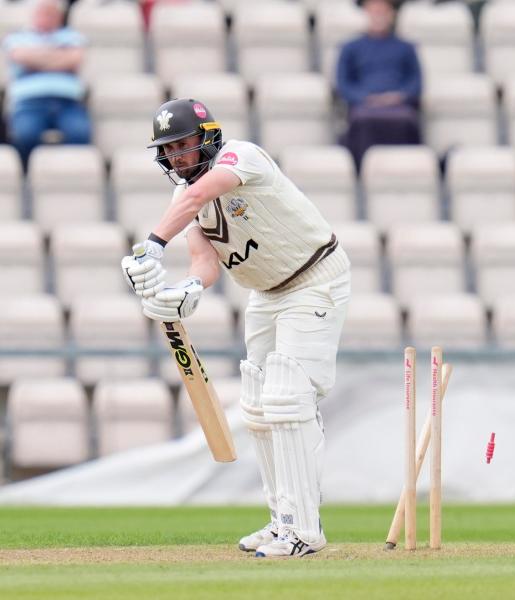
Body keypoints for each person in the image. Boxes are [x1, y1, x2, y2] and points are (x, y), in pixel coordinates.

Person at [120, 98, 351, 557]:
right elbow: (204, 260)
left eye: (184, 145)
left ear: (207, 138)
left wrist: (150, 245)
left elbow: (200, 195)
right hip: (265, 293)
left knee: (288, 399)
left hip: (314, 278)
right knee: (259, 407)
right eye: (169, 150)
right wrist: (189, 289)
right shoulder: (182, 200)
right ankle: (281, 518)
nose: (177, 157)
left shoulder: (240, 156)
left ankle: (305, 530)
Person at [3, 0, 91, 169]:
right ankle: (27, 175)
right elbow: (20, 56)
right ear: (34, 15)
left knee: (80, 133)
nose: (46, 17)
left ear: (59, 16)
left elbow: (74, 59)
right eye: (43, 13)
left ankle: (70, 174)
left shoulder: (73, 36)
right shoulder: (17, 37)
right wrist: (59, 58)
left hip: (69, 104)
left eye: (51, 14)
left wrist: (36, 60)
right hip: (29, 104)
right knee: (25, 135)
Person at [336, 0, 422, 168]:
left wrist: (397, 97)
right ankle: (362, 171)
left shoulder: (406, 48)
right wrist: (367, 99)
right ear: (366, 14)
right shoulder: (350, 48)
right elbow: (344, 85)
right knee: (361, 120)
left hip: (398, 107)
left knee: (407, 120)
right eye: (374, 12)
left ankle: (404, 168)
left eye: (383, 12)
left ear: (392, 15)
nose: (378, 16)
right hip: (364, 107)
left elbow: (415, 84)